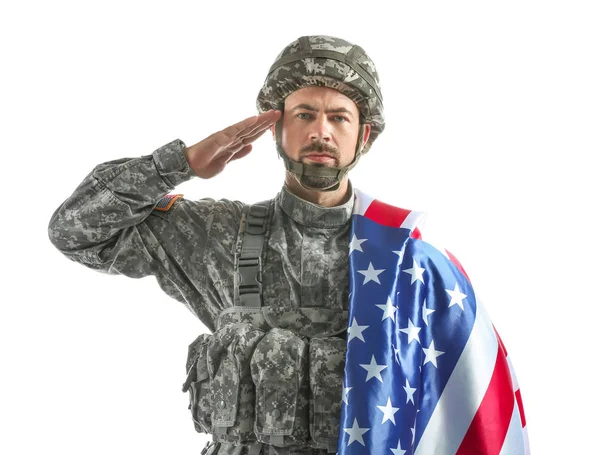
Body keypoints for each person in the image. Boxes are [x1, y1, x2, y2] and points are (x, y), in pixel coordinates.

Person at [48, 36, 529, 455]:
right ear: (276, 128)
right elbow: (75, 230)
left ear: (363, 136)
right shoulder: (218, 234)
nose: (321, 131)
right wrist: (182, 163)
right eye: (304, 114)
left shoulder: (407, 262)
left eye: (339, 117)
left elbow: (458, 403)